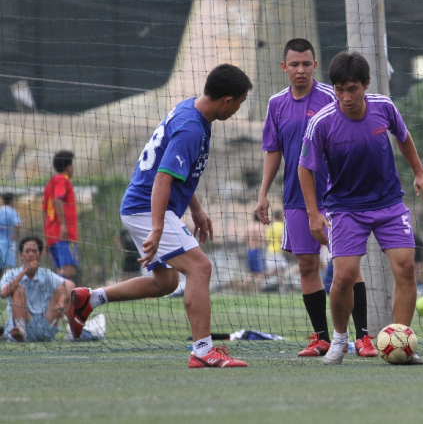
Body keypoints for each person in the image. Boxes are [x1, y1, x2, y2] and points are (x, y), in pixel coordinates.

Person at [67, 64, 251, 368]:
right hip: (147, 208)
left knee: (165, 282)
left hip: (142, 206)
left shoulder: (190, 109)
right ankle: (203, 351)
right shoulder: (192, 128)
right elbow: (163, 179)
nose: (238, 110)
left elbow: (179, 171)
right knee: (200, 268)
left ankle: (92, 298)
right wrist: (156, 227)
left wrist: (197, 209)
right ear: (227, 100)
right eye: (240, 103)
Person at [298, 51, 423, 365]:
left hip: (389, 204)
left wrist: (420, 172)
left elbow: (403, 137)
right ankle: (340, 340)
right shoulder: (322, 123)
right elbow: (305, 168)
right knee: (343, 277)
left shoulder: (384, 107)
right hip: (345, 209)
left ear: (365, 84)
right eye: (340, 89)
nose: (346, 97)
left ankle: (401, 341)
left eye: (352, 89)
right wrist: (313, 214)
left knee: (405, 268)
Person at [255, 38, 376, 357]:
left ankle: (363, 337)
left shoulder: (333, 97)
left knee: (347, 268)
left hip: (338, 196)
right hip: (296, 197)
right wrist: (263, 192)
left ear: (315, 65)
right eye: (294, 64)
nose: (300, 70)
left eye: (306, 64)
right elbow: (273, 150)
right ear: (284, 67)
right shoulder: (276, 104)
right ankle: (321, 338)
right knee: (307, 265)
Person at [1, 236, 75, 342]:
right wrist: (24, 271)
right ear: (21, 255)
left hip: (45, 322)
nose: (30, 254)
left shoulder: (46, 274)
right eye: (27, 251)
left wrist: (61, 302)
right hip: (23, 323)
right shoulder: (11, 274)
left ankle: (71, 330)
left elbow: (70, 285)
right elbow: (3, 293)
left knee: (62, 289)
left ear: (40, 255)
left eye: (34, 251)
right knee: (18, 289)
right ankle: (21, 331)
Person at [43, 151, 78, 280]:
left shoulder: (49, 183)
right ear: (68, 167)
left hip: (52, 234)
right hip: (64, 234)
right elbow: (57, 199)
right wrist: (63, 225)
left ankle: (59, 298)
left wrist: (46, 236)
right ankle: (62, 299)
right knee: (69, 269)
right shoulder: (63, 180)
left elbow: (44, 211)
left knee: (61, 269)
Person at [263, 211, 288, 292]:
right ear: (280, 216)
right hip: (278, 251)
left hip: (270, 250)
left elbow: (266, 240)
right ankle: (260, 277)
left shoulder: (270, 227)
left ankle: (281, 287)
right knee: (280, 269)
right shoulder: (281, 226)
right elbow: (281, 239)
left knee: (280, 269)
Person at [0, 193, 21, 272]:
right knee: (8, 268)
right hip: (8, 244)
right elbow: (17, 224)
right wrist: (14, 234)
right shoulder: (12, 211)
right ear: (12, 200)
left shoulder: (0, 210)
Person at [244, 214, 265, 292]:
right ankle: (256, 291)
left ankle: (244, 287)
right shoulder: (259, 226)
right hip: (257, 251)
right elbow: (262, 238)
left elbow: (244, 239)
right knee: (259, 274)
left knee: (252, 273)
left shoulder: (248, 227)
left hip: (249, 251)